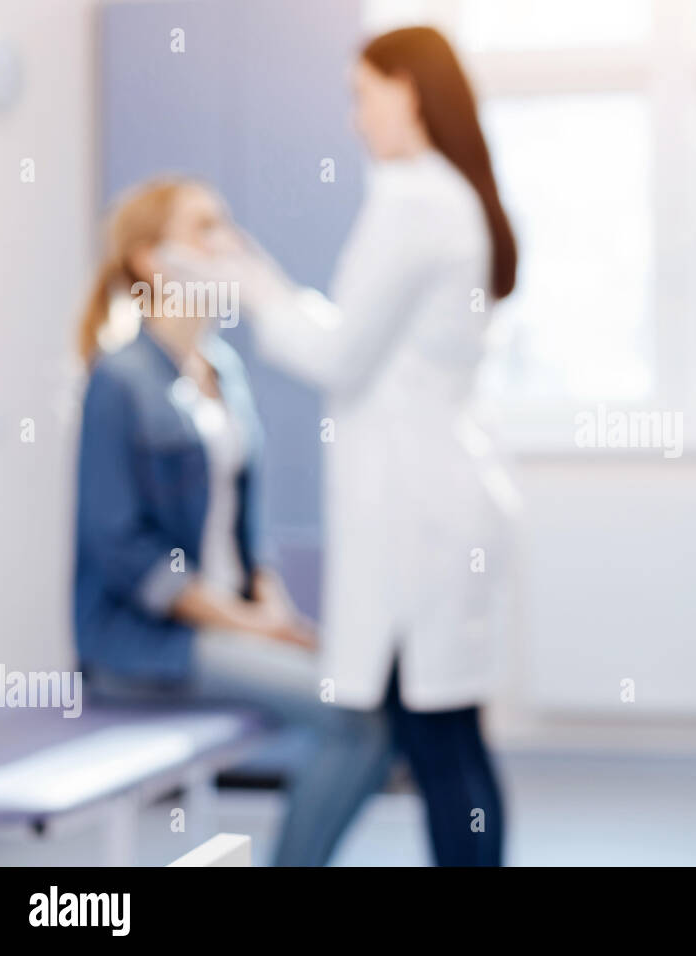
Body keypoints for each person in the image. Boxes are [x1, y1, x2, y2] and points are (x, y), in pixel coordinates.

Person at [162, 26, 516, 867]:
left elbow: (336, 356)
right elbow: (357, 338)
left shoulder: (414, 200)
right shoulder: (446, 196)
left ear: (406, 90)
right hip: (442, 499)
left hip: (420, 513)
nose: (355, 119)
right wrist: (261, 274)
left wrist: (245, 281)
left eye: (363, 95)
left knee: (436, 738)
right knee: (447, 734)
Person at [74, 178, 390, 866]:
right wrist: (249, 625)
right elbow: (121, 551)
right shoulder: (118, 381)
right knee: (356, 717)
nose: (229, 245)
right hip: (147, 644)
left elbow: (247, 526)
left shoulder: (225, 370)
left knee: (373, 693)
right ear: (150, 260)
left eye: (227, 225)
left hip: (229, 622)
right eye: (205, 229)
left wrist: (268, 599)